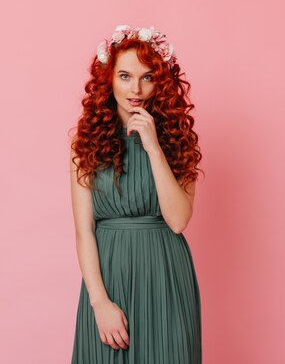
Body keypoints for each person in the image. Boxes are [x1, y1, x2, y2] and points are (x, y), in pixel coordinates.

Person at [69, 24, 203, 363]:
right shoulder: (85, 142)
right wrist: (99, 303)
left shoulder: (178, 140)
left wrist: (154, 147)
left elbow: (177, 220)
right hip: (108, 280)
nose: (136, 89)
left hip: (165, 278)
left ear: (161, 82)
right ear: (109, 79)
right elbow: (84, 231)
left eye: (147, 77)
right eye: (125, 76)